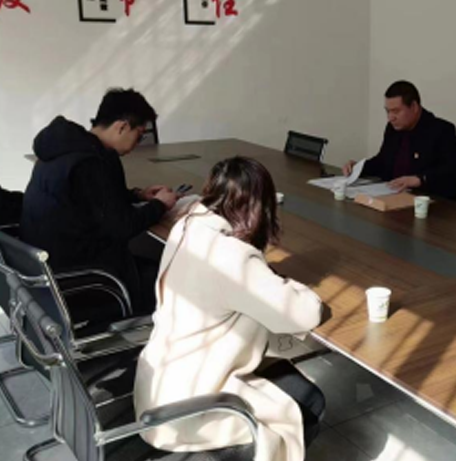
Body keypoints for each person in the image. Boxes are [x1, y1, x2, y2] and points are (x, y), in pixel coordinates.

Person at [134, 157, 324, 461]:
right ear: (261, 208)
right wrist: (285, 282)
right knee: (307, 404)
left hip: (160, 385)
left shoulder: (188, 224)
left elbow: (189, 203)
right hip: (192, 408)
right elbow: (305, 312)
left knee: (281, 379)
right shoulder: (231, 256)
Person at [20, 88, 177, 314]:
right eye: (139, 134)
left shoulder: (65, 149)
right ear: (122, 127)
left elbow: (91, 198)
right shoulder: (89, 163)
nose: (139, 142)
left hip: (47, 267)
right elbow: (122, 227)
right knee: (172, 272)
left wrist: (138, 195)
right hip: (83, 276)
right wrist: (160, 205)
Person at [343, 81, 456, 199]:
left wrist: (420, 179)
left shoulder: (440, 130)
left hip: (431, 203)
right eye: (387, 111)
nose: (390, 118)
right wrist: (359, 168)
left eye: (396, 111)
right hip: (394, 197)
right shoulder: (393, 128)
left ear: (414, 106)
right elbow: (383, 161)